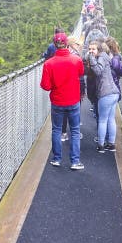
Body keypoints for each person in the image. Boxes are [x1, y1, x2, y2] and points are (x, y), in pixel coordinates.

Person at [40, 32, 85, 170]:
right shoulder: (76, 60)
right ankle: (75, 161)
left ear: (54, 45)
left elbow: (46, 86)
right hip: (73, 101)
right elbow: (80, 73)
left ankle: (57, 159)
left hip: (57, 102)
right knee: (75, 130)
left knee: (57, 129)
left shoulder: (48, 64)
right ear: (67, 44)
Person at [86, 40, 120, 154]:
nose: (91, 51)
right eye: (89, 49)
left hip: (105, 94)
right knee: (111, 119)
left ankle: (100, 146)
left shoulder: (100, 58)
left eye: (93, 49)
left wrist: (90, 59)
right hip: (114, 92)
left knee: (102, 120)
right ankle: (111, 144)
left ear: (99, 50)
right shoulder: (105, 56)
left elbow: (98, 71)